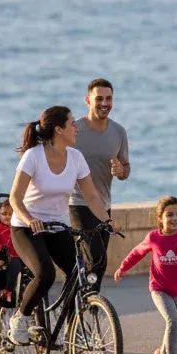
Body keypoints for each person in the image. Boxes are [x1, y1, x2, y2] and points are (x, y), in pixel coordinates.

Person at [7, 106, 114, 346]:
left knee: (79, 273)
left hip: (57, 226)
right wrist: (28, 219)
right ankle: (20, 318)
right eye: (72, 124)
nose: (76, 127)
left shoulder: (76, 157)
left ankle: (69, 325)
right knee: (45, 274)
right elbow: (15, 197)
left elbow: (92, 196)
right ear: (59, 130)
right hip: (26, 227)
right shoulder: (33, 156)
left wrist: (106, 221)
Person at [114, 195, 177, 354]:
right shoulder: (154, 238)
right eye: (170, 215)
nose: (175, 218)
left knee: (174, 325)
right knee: (173, 322)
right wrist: (123, 267)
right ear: (160, 218)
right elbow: (137, 253)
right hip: (159, 289)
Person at [69, 78, 130, 291]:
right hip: (77, 203)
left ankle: (85, 307)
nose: (105, 103)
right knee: (96, 259)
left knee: (98, 265)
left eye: (109, 98)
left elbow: (125, 168)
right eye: (99, 99)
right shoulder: (74, 130)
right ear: (88, 100)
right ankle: (86, 303)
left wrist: (121, 171)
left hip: (103, 205)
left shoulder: (119, 132)